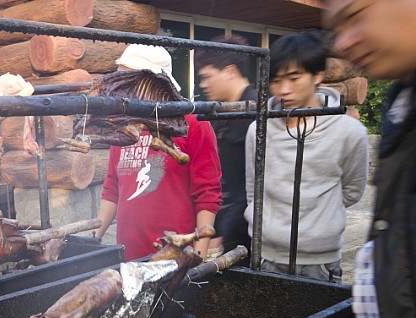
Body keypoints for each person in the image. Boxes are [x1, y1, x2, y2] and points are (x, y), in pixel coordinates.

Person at [323, 1, 416, 318]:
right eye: (336, 28)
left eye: (356, 14)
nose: (344, 42)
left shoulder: (355, 128)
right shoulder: (404, 104)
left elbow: (353, 189)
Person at [243, 29, 369, 282]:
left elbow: (352, 191)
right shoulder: (259, 129)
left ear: (318, 75)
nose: (284, 89)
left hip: (320, 260)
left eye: (294, 78)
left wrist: (319, 220)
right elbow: (253, 187)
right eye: (276, 80)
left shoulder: (349, 131)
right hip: (266, 255)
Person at [94, 44, 222, 260]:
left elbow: (207, 195)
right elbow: (112, 189)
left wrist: (197, 258)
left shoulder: (193, 123)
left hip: (175, 256)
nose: (119, 87)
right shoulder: (123, 123)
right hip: (129, 254)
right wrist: (93, 238)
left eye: (127, 79)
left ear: (153, 81)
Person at [195, 35, 258, 262]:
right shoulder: (215, 113)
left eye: (207, 76)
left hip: (249, 232)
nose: (203, 84)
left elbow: (253, 183)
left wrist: (226, 230)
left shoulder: (259, 112)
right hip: (222, 229)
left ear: (230, 71)